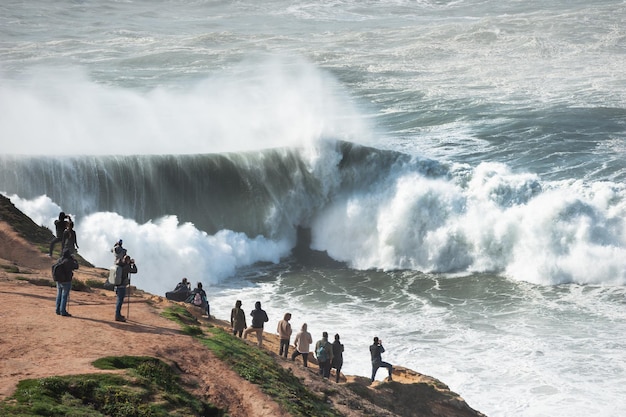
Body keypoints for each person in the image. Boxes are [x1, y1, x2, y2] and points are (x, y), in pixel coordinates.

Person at [53, 249, 79, 316]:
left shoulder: (59, 260)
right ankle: (63, 311)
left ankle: (57, 310)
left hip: (59, 280)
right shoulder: (69, 261)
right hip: (66, 281)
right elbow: (76, 266)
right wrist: (74, 260)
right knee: (64, 296)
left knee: (59, 295)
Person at [114, 255, 137, 322]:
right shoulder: (126, 267)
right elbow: (135, 271)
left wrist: (129, 263)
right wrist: (133, 264)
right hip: (122, 286)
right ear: (127, 260)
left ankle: (118, 315)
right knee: (120, 301)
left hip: (117, 285)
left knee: (119, 300)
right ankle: (117, 316)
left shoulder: (119, 264)